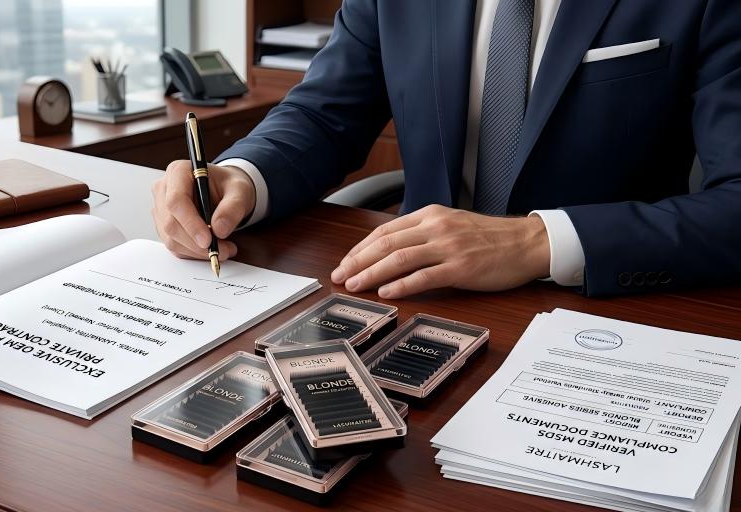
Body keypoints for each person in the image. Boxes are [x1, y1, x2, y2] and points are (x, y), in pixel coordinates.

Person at [151, 0, 741, 298]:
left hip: (601, 305)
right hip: (415, 295)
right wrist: (242, 176)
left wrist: (536, 241)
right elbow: (323, 113)